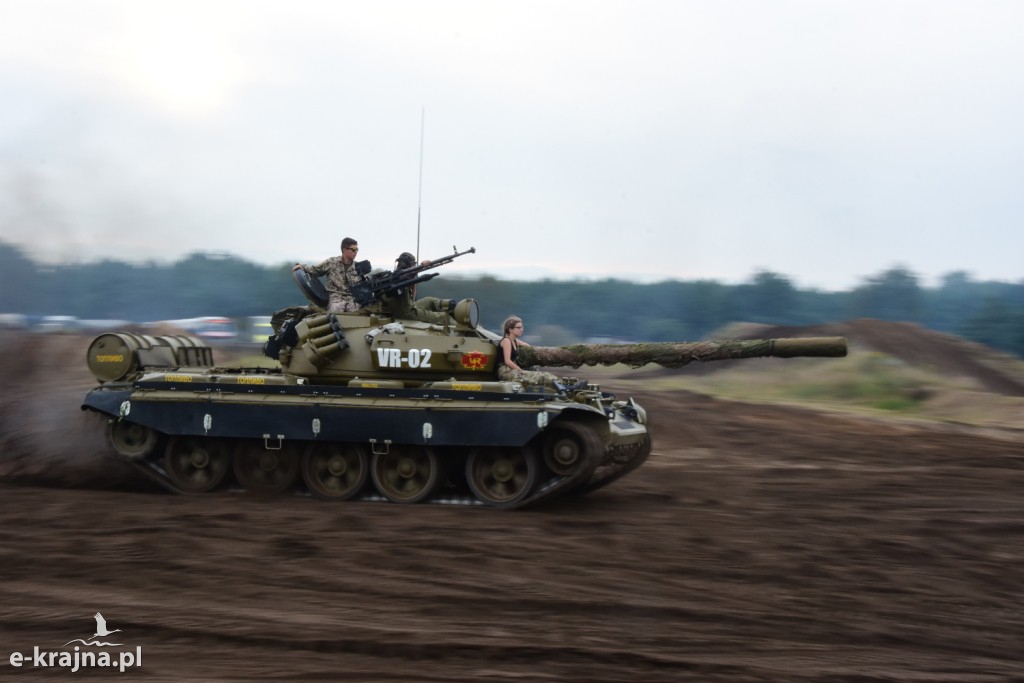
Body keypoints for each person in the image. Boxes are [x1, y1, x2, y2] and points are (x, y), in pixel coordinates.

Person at [496, 315, 587, 393]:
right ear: (510, 329)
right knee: (542, 376)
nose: (522, 330)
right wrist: (521, 370)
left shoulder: (514, 341)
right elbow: (507, 361)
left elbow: (528, 347)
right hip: (506, 372)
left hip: (512, 370)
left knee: (541, 373)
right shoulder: (506, 341)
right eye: (519, 328)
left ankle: (563, 386)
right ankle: (566, 388)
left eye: (522, 327)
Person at [292, 237, 367, 313]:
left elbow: (365, 284)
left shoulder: (358, 267)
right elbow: (316, 270)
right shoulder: (331, 262)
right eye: (353, 249)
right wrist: (302, 267)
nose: (356, 252)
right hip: (335, 297)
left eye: (357, 249)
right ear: (344, 250)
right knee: (334, 313)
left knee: (359, 315)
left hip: (352, 298)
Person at [386, 252, 453, 324]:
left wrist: (420, 268)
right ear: (407, 265)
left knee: (430, 300)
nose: (413, 266)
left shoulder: (395, 276)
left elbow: (409, 278)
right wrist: (421, 266)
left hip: (409, 307)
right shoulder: (399, 278)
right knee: (446, 318)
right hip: (407, 313)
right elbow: (407, 277)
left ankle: (452, 310)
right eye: (412, 265)